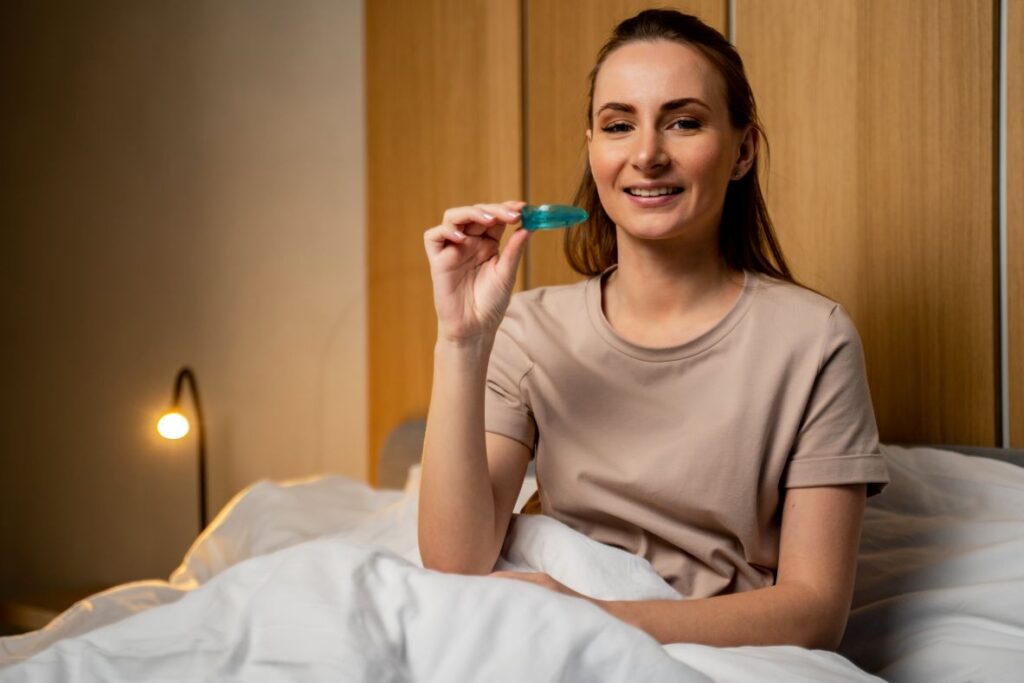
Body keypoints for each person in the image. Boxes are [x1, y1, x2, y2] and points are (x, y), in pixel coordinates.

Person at [418, 9, 889, 650]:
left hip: (708, 653)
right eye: (619, 126)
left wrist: (593, 617)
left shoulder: (815, 340)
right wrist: (461, 341)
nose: (647, 155)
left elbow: (813, 614)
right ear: (592, 147)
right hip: (540, 632)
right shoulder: (528, 330)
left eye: (685, 122)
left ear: (742, 150)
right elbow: (455, 563)